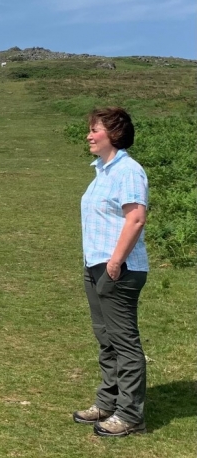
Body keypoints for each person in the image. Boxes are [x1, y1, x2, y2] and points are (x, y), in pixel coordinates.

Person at [73, 107, 149, 437]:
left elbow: (135, 219)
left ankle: (130, 415)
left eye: (95, 130)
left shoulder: (128, 172)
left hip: (119, 267)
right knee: (105, 338)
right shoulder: (102, 172)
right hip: (97, 264)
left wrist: (116, 261)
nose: (89, 135)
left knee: (123, 341)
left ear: (114, 134)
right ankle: (108, 401)